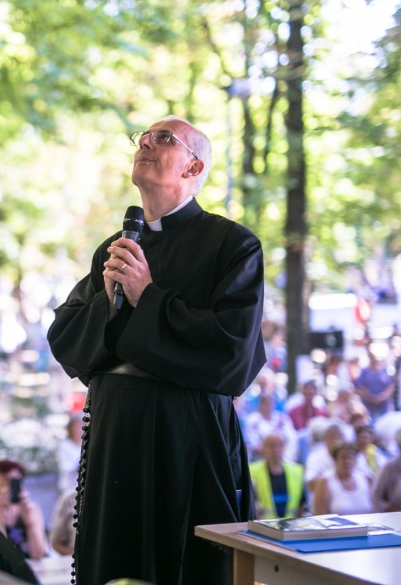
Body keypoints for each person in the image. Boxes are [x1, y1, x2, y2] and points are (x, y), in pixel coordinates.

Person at [47, 117, 266, 585]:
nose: (145, 144)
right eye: (142, 138)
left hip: (185, 435)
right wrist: (109, 303)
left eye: (163, 139)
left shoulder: (233, 245)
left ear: (194, 166)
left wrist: (148, 297)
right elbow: (65, 337)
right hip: (114, 436)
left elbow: (233, 353)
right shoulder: (115, 249)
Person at [0, 460, 48, 560]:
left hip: (31, 565)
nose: (8, 482)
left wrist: (27, 516)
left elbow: (38, 554)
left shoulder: (32, 509)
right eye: (4, 478)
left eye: (14, 480)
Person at [250, 432, 306, 520]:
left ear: (284, 447)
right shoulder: (252, 471)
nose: (275, 449)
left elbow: (301, 503)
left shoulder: (297, 471)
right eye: (271, 446)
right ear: (263, 448)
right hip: (263, 524)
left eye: (279, 445)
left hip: (291, 523)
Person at [311, 442, 374, 516]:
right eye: (343, 457)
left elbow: (373, 509)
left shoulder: (364, 478)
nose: (347, 461)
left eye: (350, 458)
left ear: (356, 461)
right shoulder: (325, 481)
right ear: (335, 461)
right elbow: (320, 514)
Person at [55, 413, 84, 497]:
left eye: (80, 426)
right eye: (75, 426)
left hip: (82, 488)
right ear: (70, 428)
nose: (78, 429)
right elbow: (66, 467)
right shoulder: (64, 445)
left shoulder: (86, 445)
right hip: (68, 488)